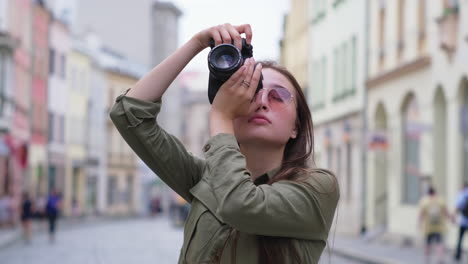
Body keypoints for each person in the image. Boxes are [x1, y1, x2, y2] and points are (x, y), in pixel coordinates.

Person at [110, 23, 339, 263]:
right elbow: (129, 114)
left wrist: (220, 116)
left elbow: (239, 204)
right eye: (250, 91)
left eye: (278, 95)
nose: (261, 102)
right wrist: (196, 44)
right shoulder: (206, 179)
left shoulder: (319, 187)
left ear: (296, 127)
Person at [418, 186, 452, 264]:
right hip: (439, 227)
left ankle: (427, 260)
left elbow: (421, 215)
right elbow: (446, 212)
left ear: (428, 193)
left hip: (428, 227)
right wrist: (451, 219)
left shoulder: (424, 201)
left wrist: (419, 224)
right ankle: (440, 259)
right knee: (439, 243)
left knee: (427, 244)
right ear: (435, 192)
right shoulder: (440, 200)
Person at [454, 182, 468, 262]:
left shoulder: (463, 194)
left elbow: (458, 205)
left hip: (464, 221)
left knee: (460, 238)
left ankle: (458, 255)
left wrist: (453, 216)